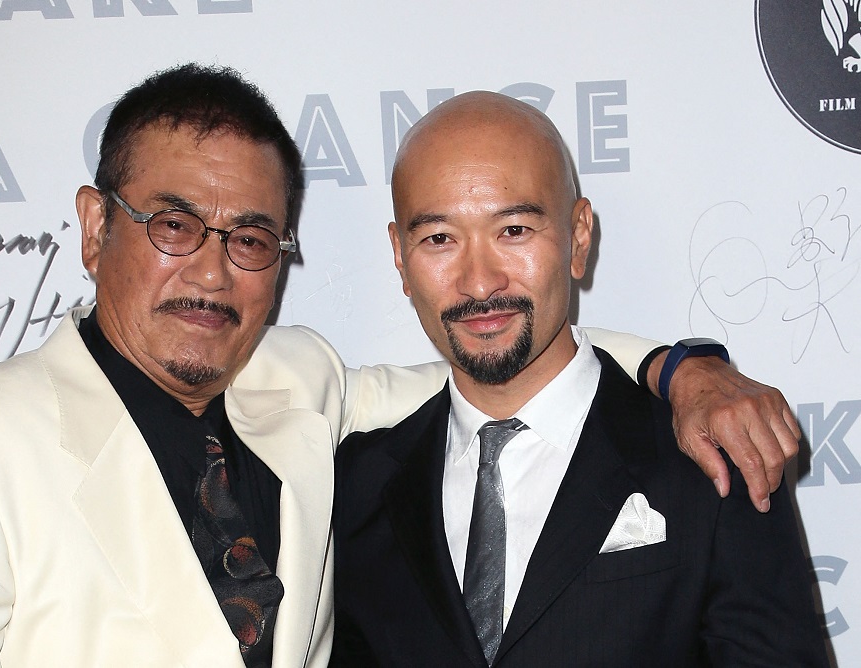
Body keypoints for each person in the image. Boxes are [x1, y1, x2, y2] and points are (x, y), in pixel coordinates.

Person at [0, 65, 801, 667]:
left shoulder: (298, 394)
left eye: (253, 238)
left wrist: (685, 372)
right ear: (97, 225)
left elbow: (505, 358)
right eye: (175, 225)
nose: (214, 269)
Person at [331, 92, 828, 666]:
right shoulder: (358, 484)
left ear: (579, 236)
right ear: (400, 256)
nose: (479, 282)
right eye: (439, 238)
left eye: (513, 230)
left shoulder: (712, 453)